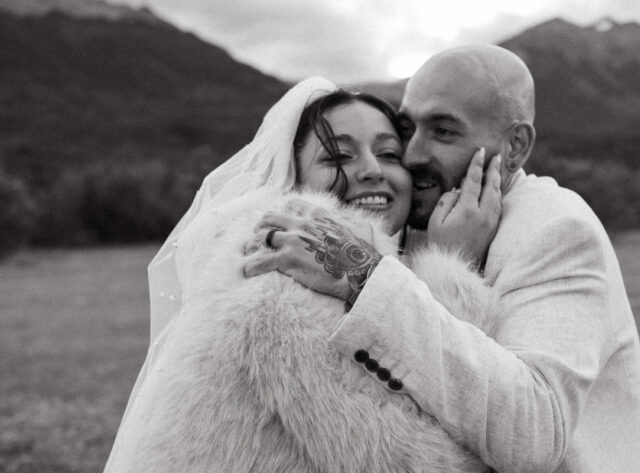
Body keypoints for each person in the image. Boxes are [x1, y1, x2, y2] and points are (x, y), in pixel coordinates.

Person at [245, 45, 640, 473]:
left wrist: (365, 273)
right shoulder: (429, 214)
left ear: (514, 146)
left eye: (443, 132)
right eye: (408, 128)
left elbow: (535, 434)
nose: (413, 154)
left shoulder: (555, 228)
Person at [104, 77, 495, 473]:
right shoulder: (276, 286)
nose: (372, 170)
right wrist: (457, 263)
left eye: (390, 153)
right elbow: (426, 464)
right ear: (292, 176)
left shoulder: (333, 268)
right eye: (338, 157)